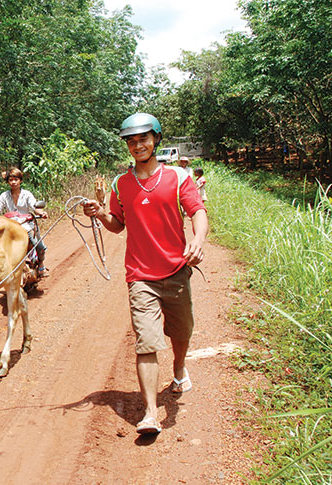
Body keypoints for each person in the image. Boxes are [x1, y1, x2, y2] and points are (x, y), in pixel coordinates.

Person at [82, 113, 208, 435]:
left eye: (143, 139)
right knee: (146, 343)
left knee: (181, 331)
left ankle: (179, 368)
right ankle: (151, 413)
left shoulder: (178, 177)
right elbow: (117, 224)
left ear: (156, 140)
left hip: (177, 270)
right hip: (140, 276)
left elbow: (197, 212)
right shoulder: (120, 184)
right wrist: (101, 215)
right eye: (131, 141)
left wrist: (197, 239)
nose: (137, 145)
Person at [0, 167, 48, 271]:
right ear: (8, 182)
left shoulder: (27, 194)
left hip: (26, 225)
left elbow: (35, 207)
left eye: (16, 180)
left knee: (38, 245)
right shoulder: (4, 196)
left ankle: (41, 265)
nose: (13, 182)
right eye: (11, 180)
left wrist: (42, 213)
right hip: (10, 226)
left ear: (20, 181)